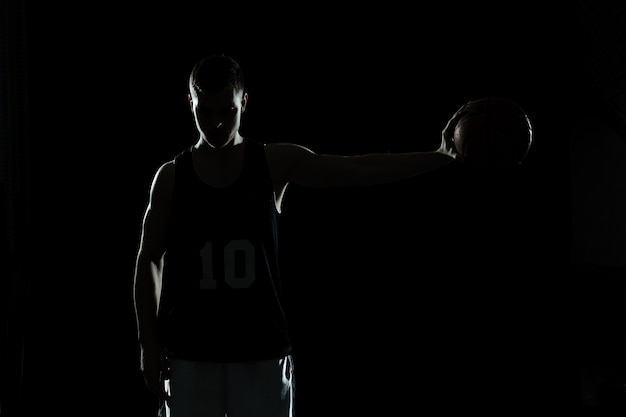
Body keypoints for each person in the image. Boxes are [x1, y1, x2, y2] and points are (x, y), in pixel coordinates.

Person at [133, 53, 462, 417]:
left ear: (244, 101)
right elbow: (149, 258)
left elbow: (357, 170)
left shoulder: (273, 162)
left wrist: (437, 155)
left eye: (227, 110)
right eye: (205, 112)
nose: (217, 123)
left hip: (263, 350)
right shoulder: (171, 177)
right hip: (189, 354)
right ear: (190, 103)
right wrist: (148, 342)